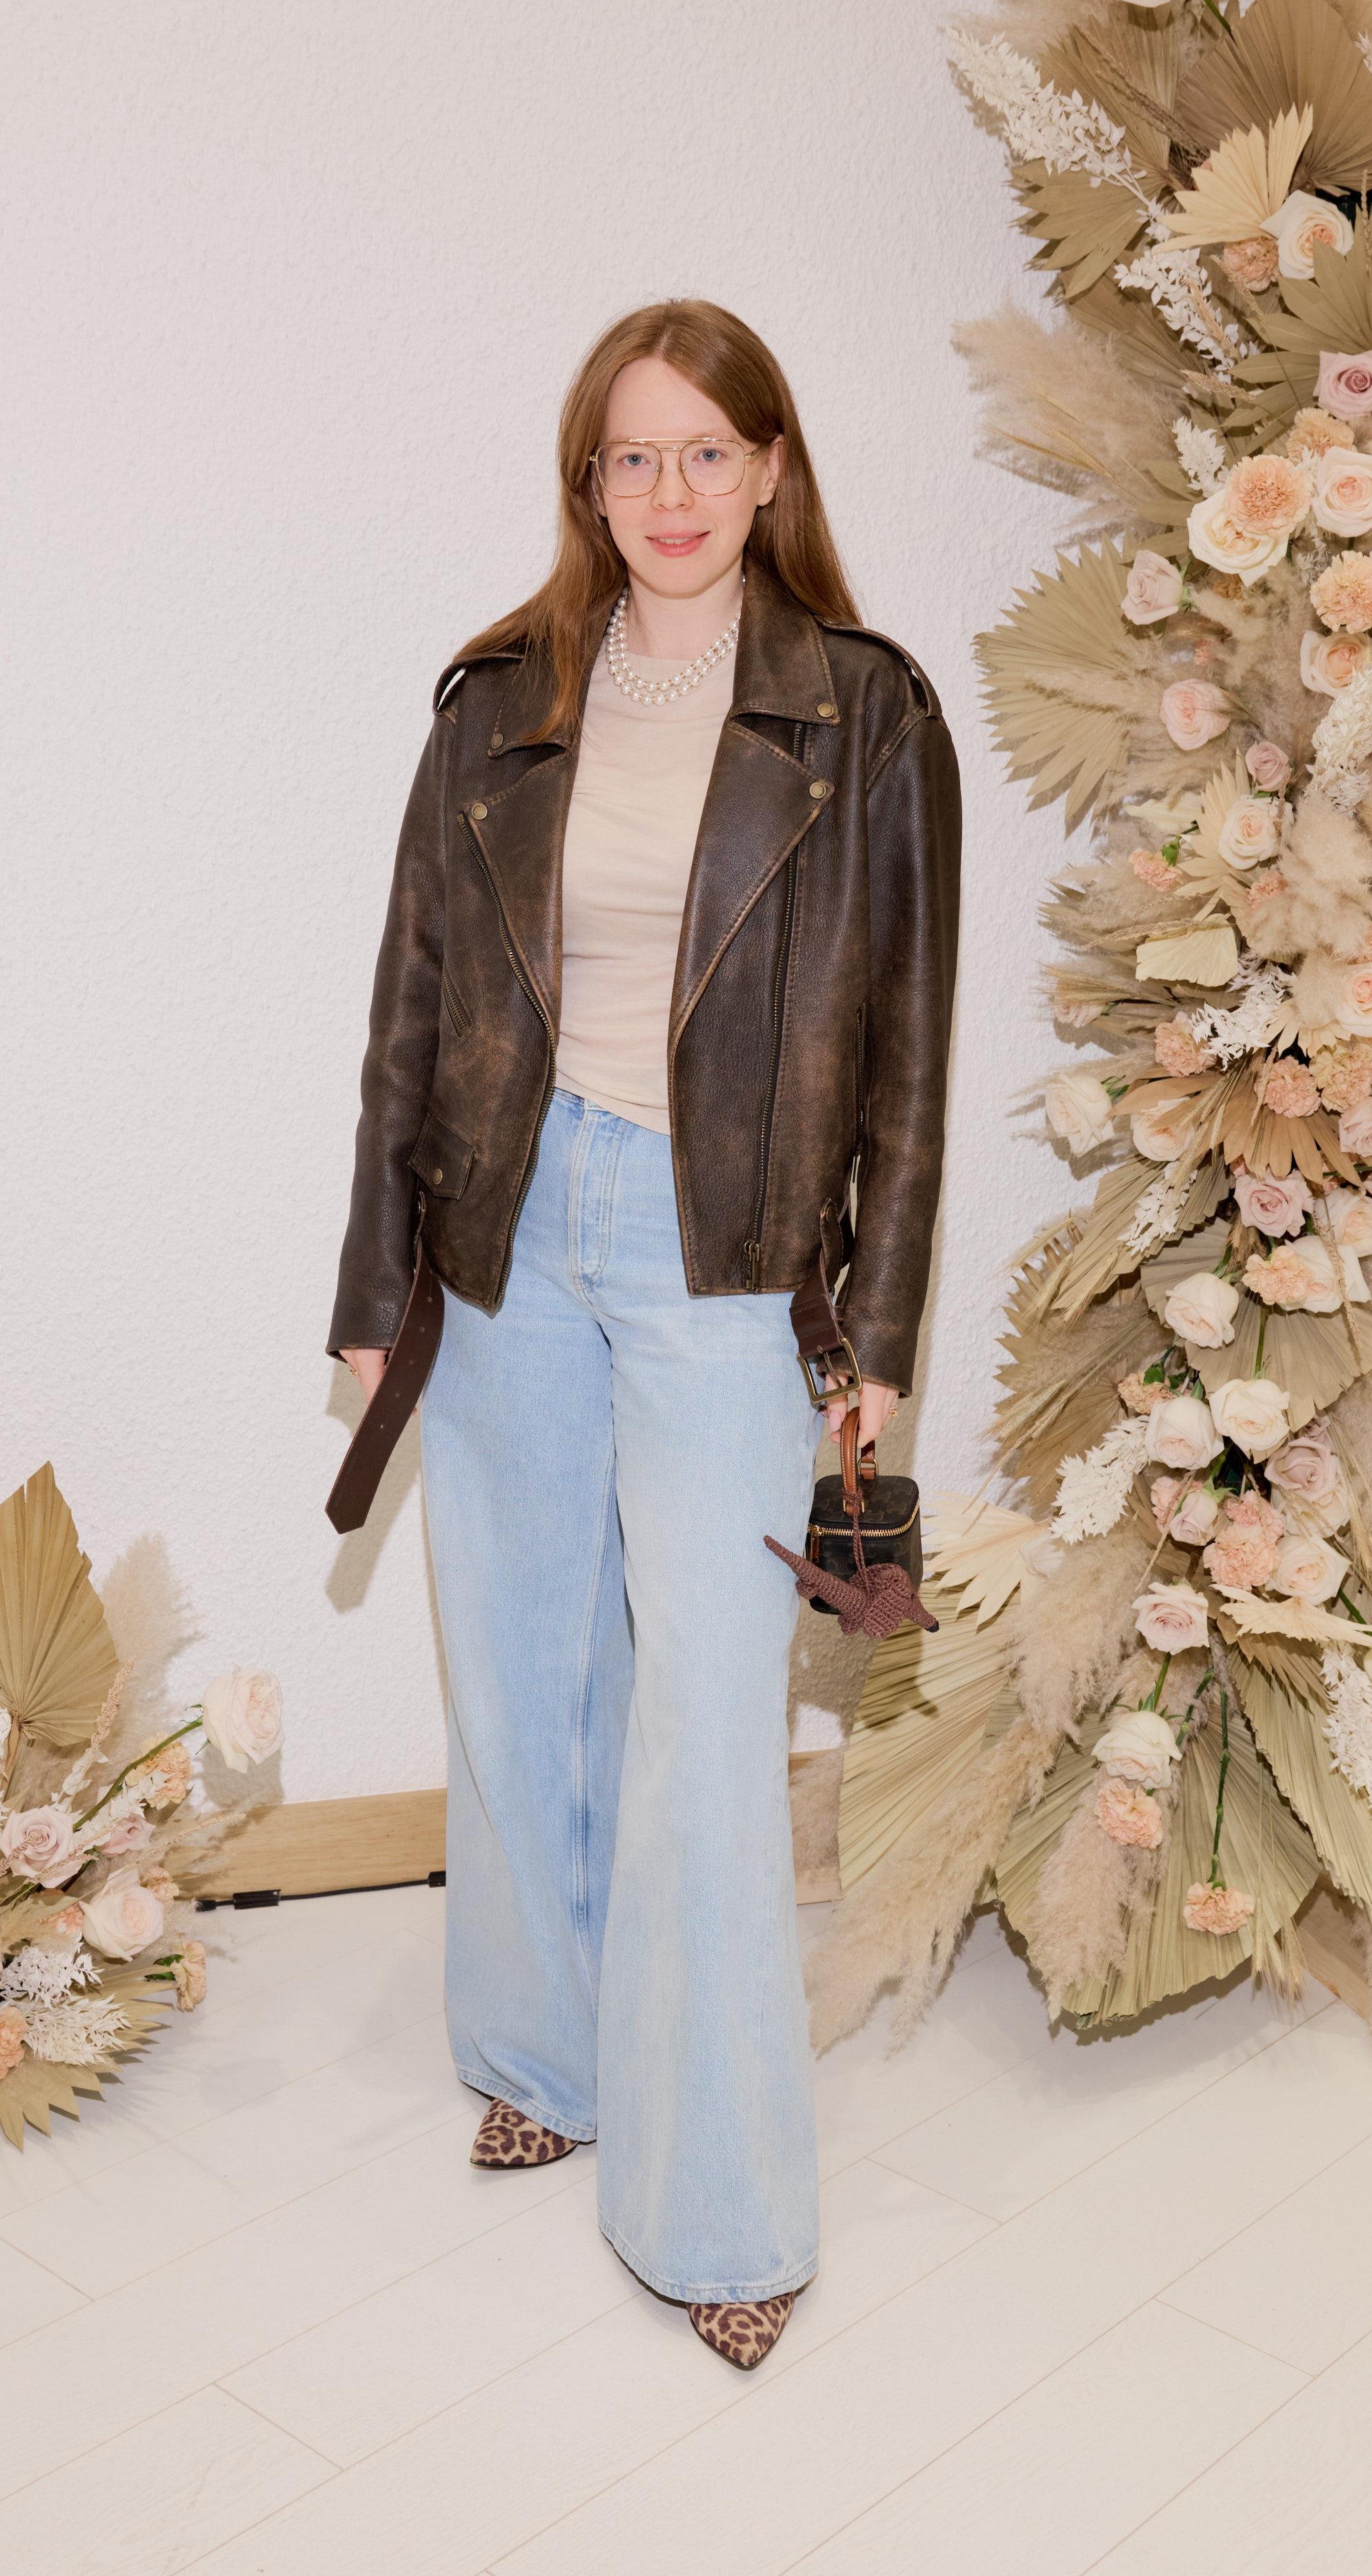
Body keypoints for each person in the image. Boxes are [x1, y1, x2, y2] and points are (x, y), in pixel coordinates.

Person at [329, 298, 960, 2368]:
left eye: (706, 451)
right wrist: (376, 1291)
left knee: (700, 1713)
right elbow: (412, 1007)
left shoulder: (867, 717)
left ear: (770, 470)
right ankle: (544, 2052)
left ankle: (717, 2210)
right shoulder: (496, 703)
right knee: (517, 1670)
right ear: (587, 483)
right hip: (507, 1228)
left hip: (731, 1251)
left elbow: (908, 1058)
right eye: (632, 455)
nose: (670, 492)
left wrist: (875, 1325)